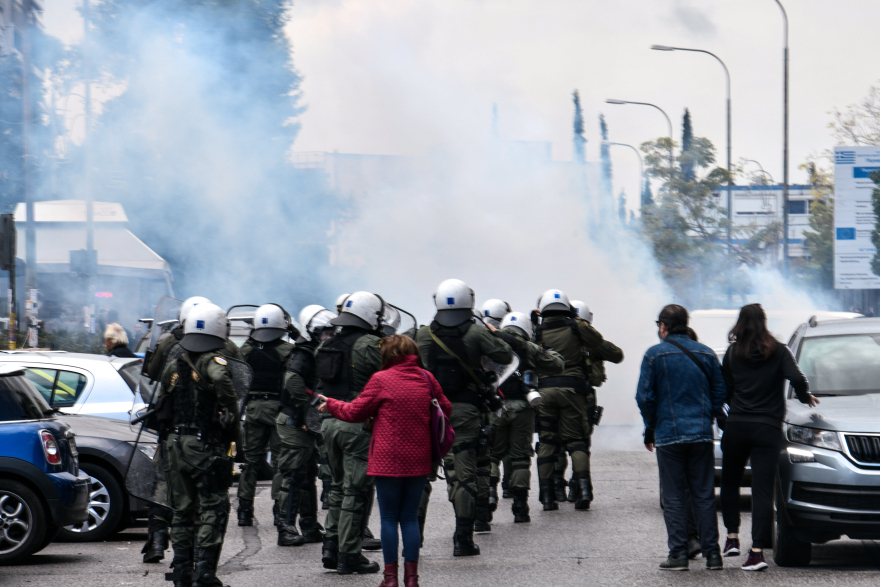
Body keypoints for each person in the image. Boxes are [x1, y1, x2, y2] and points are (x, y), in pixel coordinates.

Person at [318, 334, 452, 587]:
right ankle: (412, 579)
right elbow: (446, 408)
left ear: (387, 355)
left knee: (389, 518)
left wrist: (332, 404)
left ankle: (390, 579)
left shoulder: (381, 379)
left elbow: (355, 412)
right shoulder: (427, 378)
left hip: (387, 459)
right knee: (410, 518)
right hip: (419, 458)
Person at [415, 279, 512, 556]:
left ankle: (414, 539)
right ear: (468, 301)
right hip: (465, 412)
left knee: (422, 476)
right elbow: (504, 354)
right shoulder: (475, 332)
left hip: (429, 410)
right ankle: (462, 540)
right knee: (464, 475)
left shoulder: (421, 334)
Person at [720, 303, 816, 571]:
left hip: (737, 425)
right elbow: (797, 377)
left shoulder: (732, 353)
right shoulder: (779, 350)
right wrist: (804, 395)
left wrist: (733, 406)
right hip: (767, 428)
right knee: (762, 490)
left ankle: (731, 538)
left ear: (740, 323)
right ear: (764, 322)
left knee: (730, 482)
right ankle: (757, 553)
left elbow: (724, 389)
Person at [636, 304, 726, 571]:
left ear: (663, 326)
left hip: (668, 435)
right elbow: (720, 395)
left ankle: (678, 555)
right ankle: (713, 555)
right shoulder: (707, 353)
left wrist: (650, 428)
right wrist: (705, 416)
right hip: (700, 434)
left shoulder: (653, 355)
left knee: (674, 496)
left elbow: (645, 398)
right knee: (703, 494)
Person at [160, 303, 240, 587]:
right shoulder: (213, 362)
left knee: (181, 509)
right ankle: (204, 573)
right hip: (201, 445)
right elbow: (223, 384)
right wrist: (231, 411)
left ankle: (181, 571)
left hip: (174, 444)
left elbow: (161, 401)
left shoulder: (174, 363)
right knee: (213, 506)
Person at [533, 289, 622, 512]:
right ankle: (584, 491)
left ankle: (547, 497)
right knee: (577, 442)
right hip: (573, 392)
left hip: (545, 392)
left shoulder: (536, 330)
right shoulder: (576, 327)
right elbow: (602, 345)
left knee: (547, 442)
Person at [317, 292, 385, 575]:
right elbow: (390, 377)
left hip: (329, 422)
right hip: (356, 423)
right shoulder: (371, 344)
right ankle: (349, 555)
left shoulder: (328, 343)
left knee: (337, 487)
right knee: (356, 492)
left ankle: (331, 547)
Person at [491, 311, 564, 523]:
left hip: (496, 407)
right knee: (521, 458)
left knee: (491, 457)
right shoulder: (529, 348)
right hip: (523, 408)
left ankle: (486, 501)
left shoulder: (490, 343)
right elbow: (557, 364)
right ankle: (521, 507)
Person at [275, 304, 336, 547]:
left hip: (302, 422)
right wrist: (307, 410)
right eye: (323, 332)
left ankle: (310, 526)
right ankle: (285, 527)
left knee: (308, 473)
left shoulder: (315, 350)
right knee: (293, 475)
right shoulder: (304, 353)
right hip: (294, 421)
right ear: (312, 331)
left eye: (331, 332)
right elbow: (292, 380)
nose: (327, 337)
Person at [236, 304, 296, 528]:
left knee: (250, 463)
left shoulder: (246, 350)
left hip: (252, 410)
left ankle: (244, 511)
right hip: (278, 411)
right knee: (281, 464)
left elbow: (238, 379)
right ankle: (280, 512)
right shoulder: (288, 351)